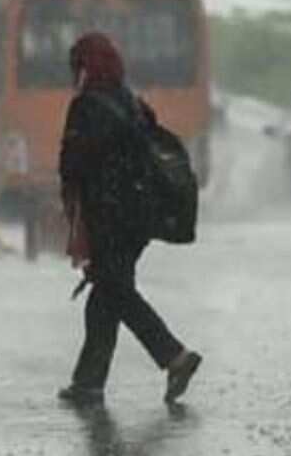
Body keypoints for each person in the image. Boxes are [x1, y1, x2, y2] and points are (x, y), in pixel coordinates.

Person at [58, 31, 202, 406]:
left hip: (108, 217)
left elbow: (73, 165)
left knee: (116, 291)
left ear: (85, 68)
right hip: (140, 218)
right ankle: (88, 383)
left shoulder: (86, 107)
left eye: (76, 66)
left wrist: (73, 212)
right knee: (106, 294)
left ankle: (174, 356)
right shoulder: (132, 103)